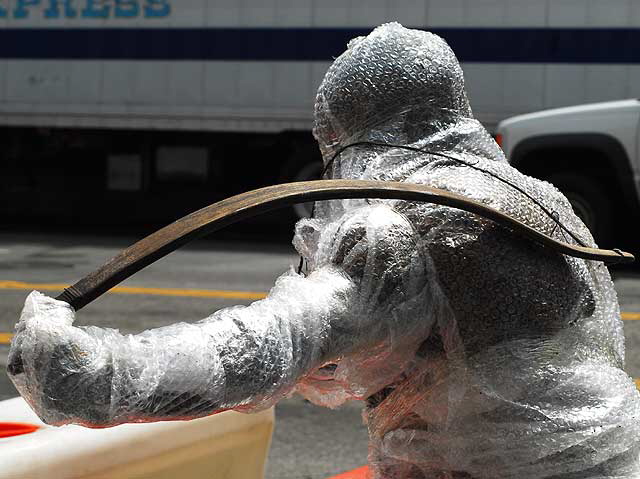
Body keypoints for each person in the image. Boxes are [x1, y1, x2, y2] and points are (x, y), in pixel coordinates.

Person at [8, 23, 640, 478]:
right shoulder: (540, 199)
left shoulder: (394, 230)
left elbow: (256, 353)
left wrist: (91, 376)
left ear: (345, 132)